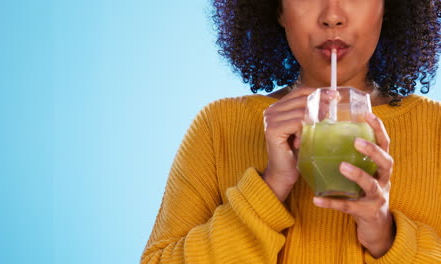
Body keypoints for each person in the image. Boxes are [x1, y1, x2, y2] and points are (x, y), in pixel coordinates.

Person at [142, 0, 441, 263]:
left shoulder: (435, 129)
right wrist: (270, 187)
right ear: (277, 8)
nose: (332, 16)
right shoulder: (218, 126)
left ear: (388, 6)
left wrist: (384, 236)